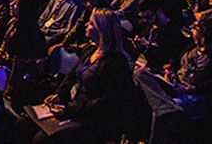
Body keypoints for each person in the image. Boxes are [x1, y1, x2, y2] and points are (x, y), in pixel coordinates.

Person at [22, 9, 134, 143]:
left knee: (40, 140)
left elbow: (106, 102)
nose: (86, 24)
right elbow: (71, 77)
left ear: (101, 30)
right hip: (72, 108)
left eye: (91, 23)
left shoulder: (116, 64)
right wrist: (59, 95)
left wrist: (70, 110)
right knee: (23, 123)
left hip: (89, 119)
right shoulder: (90, 50)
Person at [135, 16, 212, 144]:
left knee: (159, 112)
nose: (194, 39)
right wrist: (170, 74)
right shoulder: (192, 46)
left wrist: (190, 89)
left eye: (197, 37)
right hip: (175, 84)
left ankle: (161, 119)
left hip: (196, 94)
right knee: (140, 74)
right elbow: (177, 65)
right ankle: (165, 108)